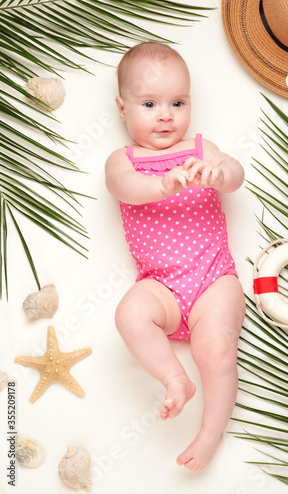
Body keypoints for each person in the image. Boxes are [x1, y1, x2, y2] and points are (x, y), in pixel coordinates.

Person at [105, 42, 246, 471]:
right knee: (129, 314)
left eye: (178, 103)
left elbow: (235, 174)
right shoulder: (124, 160)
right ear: (122, 108)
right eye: (149, 103)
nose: (166, 115)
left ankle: (210, 432)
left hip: (212, 280)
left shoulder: (201, 150)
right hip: (160, 287)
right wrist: (162, 185)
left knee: (216, 352)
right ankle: (174, 378)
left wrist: (220, 174)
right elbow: (123, 189)